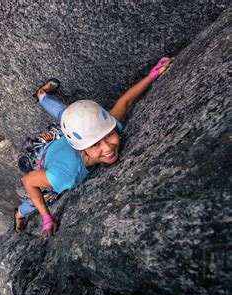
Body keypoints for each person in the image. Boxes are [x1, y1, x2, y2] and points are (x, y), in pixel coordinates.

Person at [15, 57, 172, 237]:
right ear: (82, 148)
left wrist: (153, 75)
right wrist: (47, 217)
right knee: (38, 200)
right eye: (96, 144)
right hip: (43, 157)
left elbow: (125, 102)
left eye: (110, 136)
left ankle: (42, 95)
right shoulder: (65, 176)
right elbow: (28, 181)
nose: (108, 148)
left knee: (71, 116)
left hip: (65, 142)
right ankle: (18, 214)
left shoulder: (102, 128)